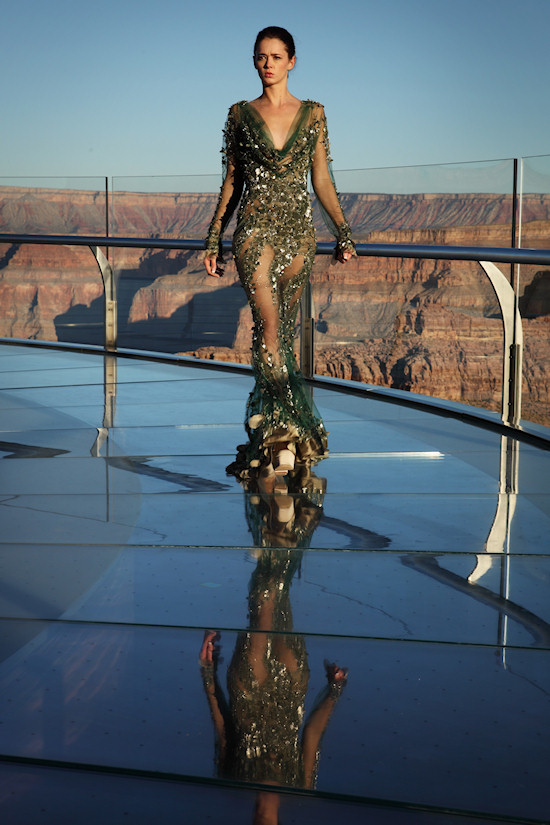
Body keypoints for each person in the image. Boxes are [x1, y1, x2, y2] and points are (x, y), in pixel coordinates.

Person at [204, 26, 355, 483]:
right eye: (261, 56)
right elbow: (232, 182)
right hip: (253, 230)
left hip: (299, 232)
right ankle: (284, 435)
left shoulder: (313, 115)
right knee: (269, 328)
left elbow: (322, 180)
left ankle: (277, 426)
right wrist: (213, 238)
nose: (267, 63)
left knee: (283, 335)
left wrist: (344, 232)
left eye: (276, 56)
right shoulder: (239, 115)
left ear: (292, 62)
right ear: (255, 62)